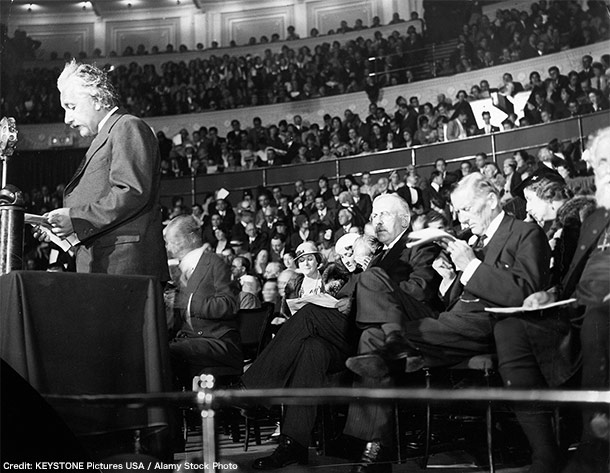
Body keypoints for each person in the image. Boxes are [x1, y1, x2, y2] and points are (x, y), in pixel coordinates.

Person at [347, 173, 559, 473]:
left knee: (374, 337)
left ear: (491, 200)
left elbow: (526, 292)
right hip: (452, 321)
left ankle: (395, 353)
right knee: (371, 317)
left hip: (487, 323)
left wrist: (470, 265)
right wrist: (450, 277)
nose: (460, 217)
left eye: (466, 209)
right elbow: (455, 297)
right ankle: (377, 445)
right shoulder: (474, 239)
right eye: (457, 211)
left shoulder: (526, 233)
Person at [242, 234, 376, 469]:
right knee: (310, 349)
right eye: (346, 251)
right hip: (339, 339)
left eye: (353, 250)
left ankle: (252, 389)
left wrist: (353, 301)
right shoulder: (346, 276)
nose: (349, 255)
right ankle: (293, 443)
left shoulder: (375, 268)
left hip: (367, 337)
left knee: (309, 313)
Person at [524, 127, 610, 473]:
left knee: (598, 320)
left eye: (605, 163)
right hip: (575, 311)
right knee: (512, 328)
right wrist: (549, 293)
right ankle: (544, 450)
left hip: (599, 316)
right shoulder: (596, 219)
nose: (599, 173)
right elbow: (571, 277)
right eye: (598, 164)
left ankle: (596, 450)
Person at [34, 59, 168, 280]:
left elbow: (131, 192)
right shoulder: (108, 134)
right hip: (108, 264)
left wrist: (76, 219)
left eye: (71, 107)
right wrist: (63, 231)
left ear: (96, 99)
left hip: (124, 266)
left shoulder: (126, 126)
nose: (67, 119)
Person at [164, 215, 241, 388]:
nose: (169, 248)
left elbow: (230, 304)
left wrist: (187, 302)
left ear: (191, 237)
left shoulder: (216, 262)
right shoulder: (175, 271)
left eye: (173, 241)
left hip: (217, 342)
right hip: (186, 339)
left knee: (165, 354)